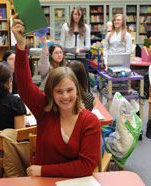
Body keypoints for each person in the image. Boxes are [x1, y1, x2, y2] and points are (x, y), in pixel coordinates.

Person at [12, 14, 101, 178]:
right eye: (58, 92)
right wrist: (21, 45)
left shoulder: (90, 121)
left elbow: (86, 167)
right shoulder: (44, 110)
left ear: (77, 89)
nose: (65, 96)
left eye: (69, 90)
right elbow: (25, 86)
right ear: (51, 93)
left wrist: (42, 170)